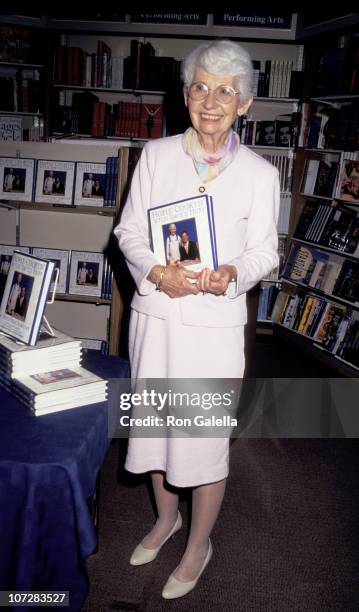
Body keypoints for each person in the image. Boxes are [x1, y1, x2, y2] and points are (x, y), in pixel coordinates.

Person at [114, 39, 279, 600]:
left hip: (213, 328)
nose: (212, 101)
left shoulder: (260, 174)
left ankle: (198, 544)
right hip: (156, 319)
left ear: (245, 104)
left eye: (226, 91)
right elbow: (128, 233)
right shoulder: (156, 156)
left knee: (202, 439)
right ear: (186, 96)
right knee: (157, 432)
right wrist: (158, 273)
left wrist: (232, 271)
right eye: (201, 87)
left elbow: (266, 253)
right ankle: (166, 520)